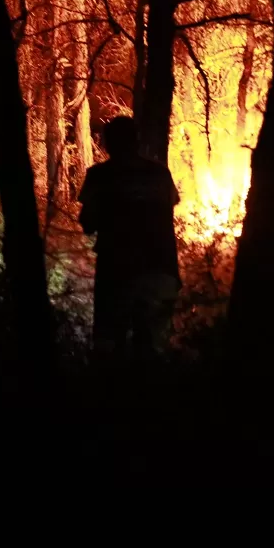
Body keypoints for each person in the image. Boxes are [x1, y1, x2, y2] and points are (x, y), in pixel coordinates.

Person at [77, 115, 181, 366]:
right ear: (136, 141)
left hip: (117, 272)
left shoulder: (99, 176)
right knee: (153, 350)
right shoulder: (160, 174)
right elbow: (172, 205)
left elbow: (88, 224)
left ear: (108, 144)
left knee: (111, 348)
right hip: (161, 270)